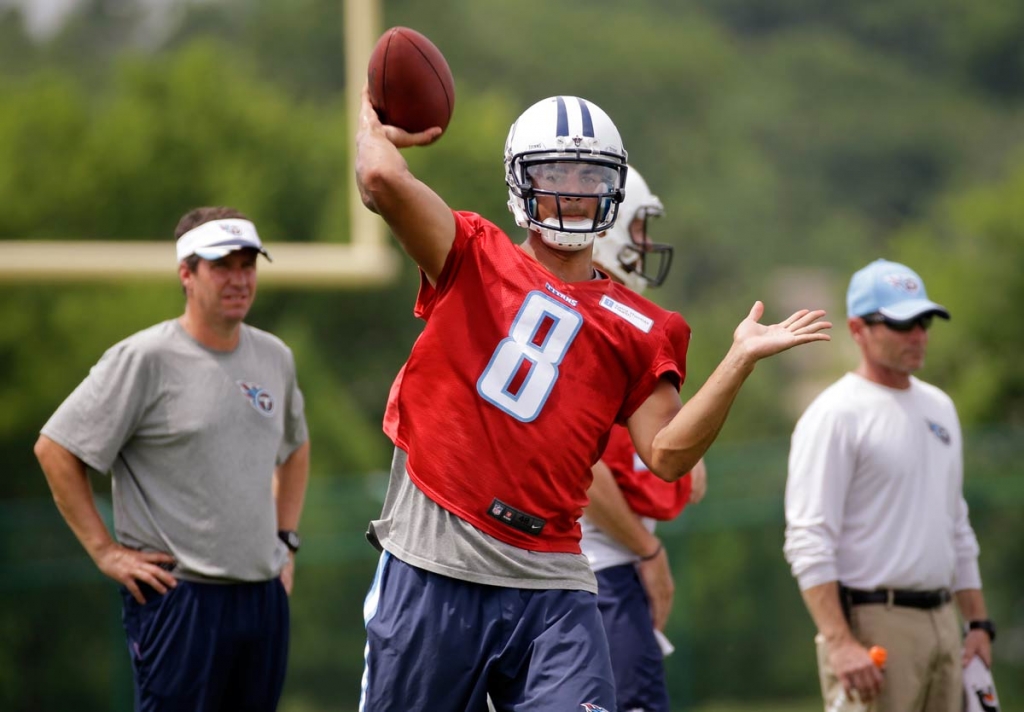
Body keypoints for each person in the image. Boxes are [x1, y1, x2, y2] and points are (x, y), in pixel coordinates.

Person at [356, 90, 831, 712]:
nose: (573, 192)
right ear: (520, 183)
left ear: (612, 187)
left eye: (590, 176)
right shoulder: (472, 252)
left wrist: (737, 361)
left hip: (552, 572)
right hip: (439, 550)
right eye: (554, 175)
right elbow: (379, 179)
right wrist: (375, 125)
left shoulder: (640, 325)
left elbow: (665, 455)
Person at [34, 207, 310, 712]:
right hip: (180, 600)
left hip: (262, 597)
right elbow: (55, 448)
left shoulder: (275, 357)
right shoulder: (144, 359)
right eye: (221, 265)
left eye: (248, 264)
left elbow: (295, 448)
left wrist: (285, 543)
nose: (239, 279)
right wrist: (105, 551)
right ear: (186, 273)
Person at [784, 258, 994, 712]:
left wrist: (978, 623)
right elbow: (808, 539)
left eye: (923, 321)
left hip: (944, 622)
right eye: (901, 323)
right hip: (873, 625)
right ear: (858, 328)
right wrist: (840, 643)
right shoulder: (835, 413)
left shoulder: (939, 406)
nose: (918, 334)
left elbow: (956, 525)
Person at [581, 165, 707, 712]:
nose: (647, 245)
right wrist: (647, 550)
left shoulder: (620, 319)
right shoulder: (594, 320)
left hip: (595, 567)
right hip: (595, 569)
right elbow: (577, 470)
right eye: (638, 228)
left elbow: (684, 473)